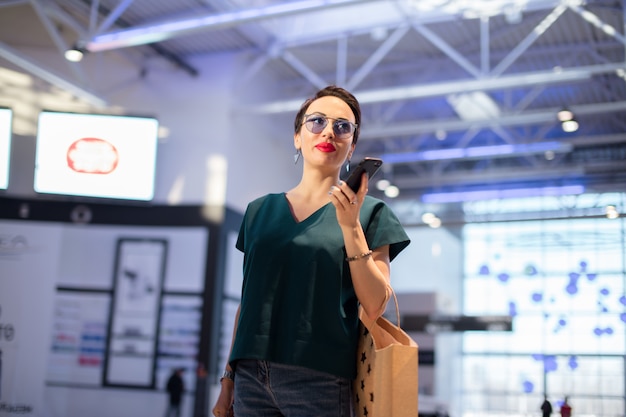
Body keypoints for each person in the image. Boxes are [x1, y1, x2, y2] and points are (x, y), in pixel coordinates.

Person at [212, 85, 410, 417]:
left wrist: (350, 228)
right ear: (297, 137)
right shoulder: (260, 211)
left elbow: (376, 303)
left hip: (321, 379)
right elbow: (248, 303)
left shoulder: (371, 214)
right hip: (250, 377)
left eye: (342, 126)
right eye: (317, 121)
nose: (329, 132)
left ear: (352, 147)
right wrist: (228, 378)